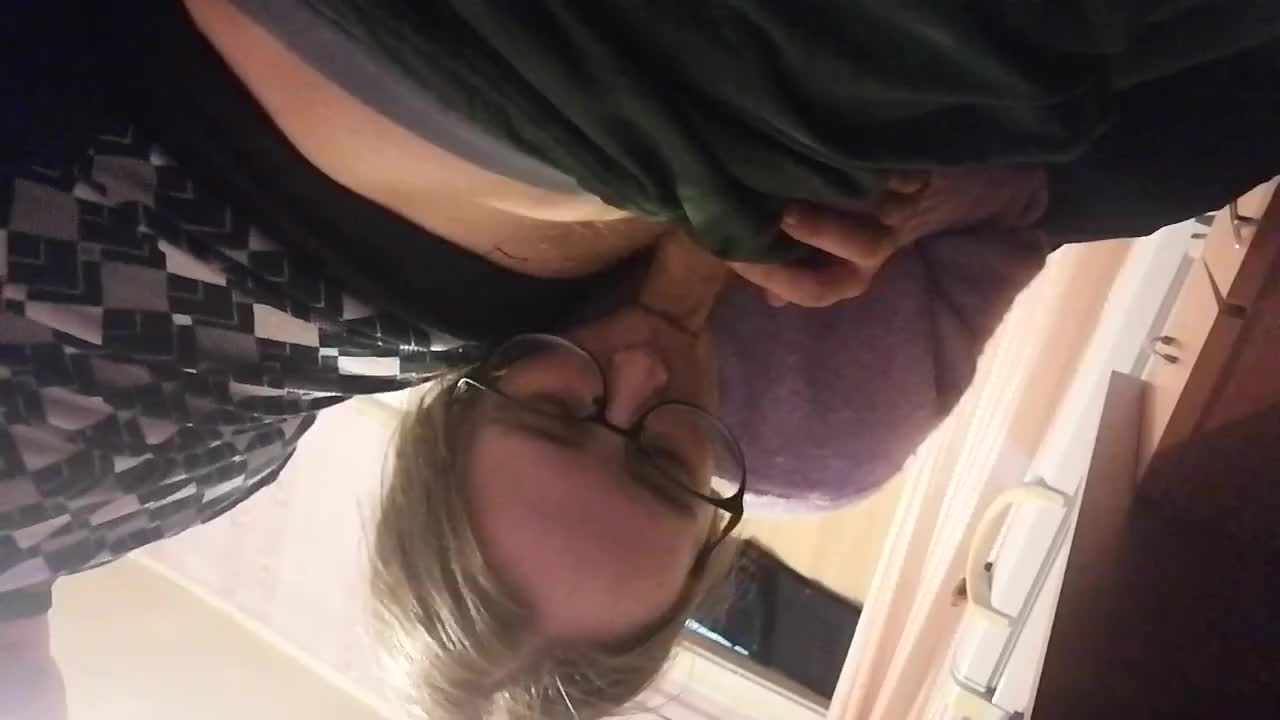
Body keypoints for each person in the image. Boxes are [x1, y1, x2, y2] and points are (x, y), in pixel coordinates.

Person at [3, 1, 1277, 719]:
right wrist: (903, 205)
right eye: (668, 467)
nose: (641, 384)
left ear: (453, 407)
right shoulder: (820, 434)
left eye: (559, 416)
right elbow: (1035, 204)